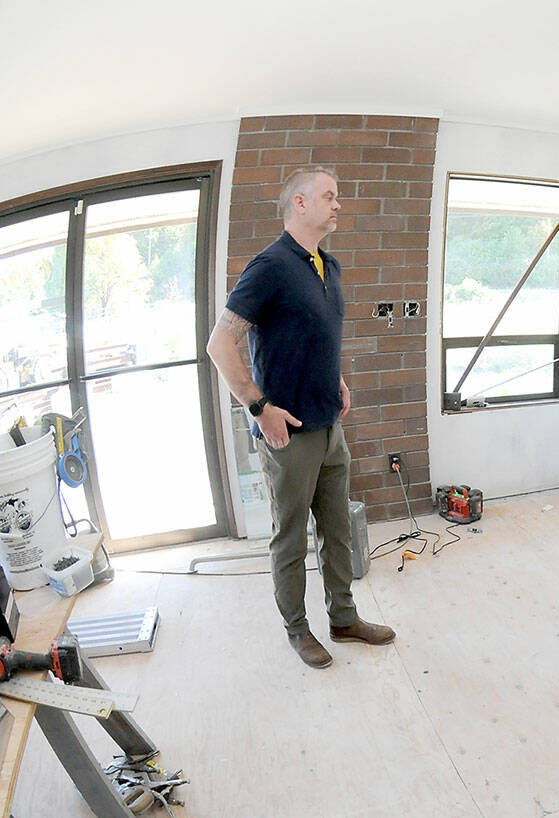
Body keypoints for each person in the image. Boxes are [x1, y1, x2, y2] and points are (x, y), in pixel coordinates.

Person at [206, 167, 395, 669]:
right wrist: (258, 406)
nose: (338, 204)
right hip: (288, 434)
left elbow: (315, 334)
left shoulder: (328, 267)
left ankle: (344, 618)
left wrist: (334, 378)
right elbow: (219, 343)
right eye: (329, 196)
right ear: (300, 204)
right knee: (290, 538)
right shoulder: (269, 266)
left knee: (337, 531)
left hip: (330, 426)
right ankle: (297, 628)